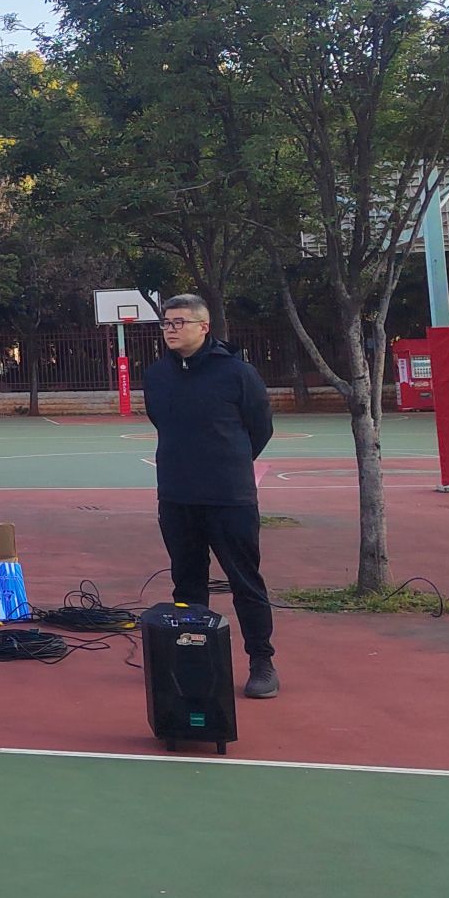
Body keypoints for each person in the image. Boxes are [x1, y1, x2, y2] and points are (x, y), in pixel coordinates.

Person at [143, 293, 279, 698]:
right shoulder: (157, 375)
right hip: (176, 496)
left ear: (204, 327)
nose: (170, 329)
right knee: (186, 583)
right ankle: (193, 659)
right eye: (166, 323)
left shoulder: (237, 373)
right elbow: (161, 422)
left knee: (245, 581)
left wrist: (228, 462)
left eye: (179, 322)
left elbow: (260, 428)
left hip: (229, 497)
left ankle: (261, 661)